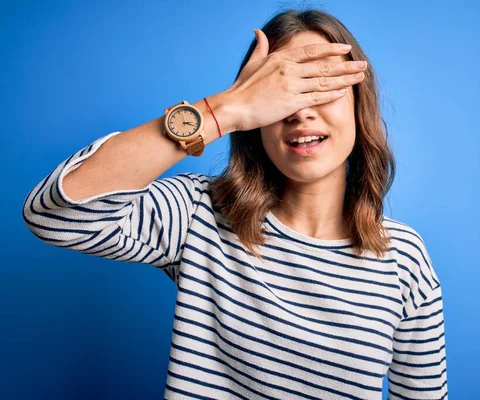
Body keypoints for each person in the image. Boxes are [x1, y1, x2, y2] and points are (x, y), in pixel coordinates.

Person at [22, 8, 448, 400]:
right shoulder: (200, 215)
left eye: (320, 88)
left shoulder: (404, 261)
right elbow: (56, 215)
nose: (301, 112)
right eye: (284, 91)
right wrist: (223, 109)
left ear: (359, 107)